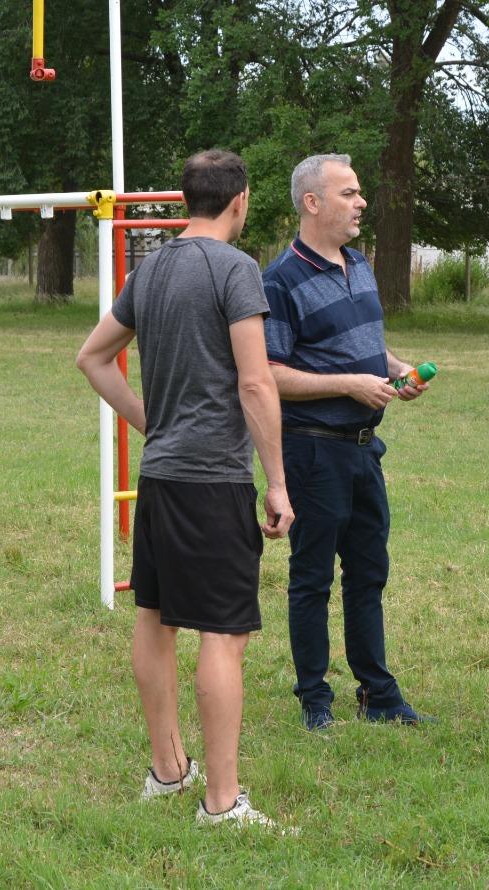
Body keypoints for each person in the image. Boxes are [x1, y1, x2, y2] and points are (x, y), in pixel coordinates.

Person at [76, 149, 294, 828]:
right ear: (240, 202)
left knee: (155, 619)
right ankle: (222, 803)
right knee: (225, 636)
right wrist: (279, 483)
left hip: (161, 477)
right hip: (213, 481)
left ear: (185, 199)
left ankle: (168, 774)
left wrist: (152, 424)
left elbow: (91, 356)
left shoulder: (152, 268)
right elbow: (256, 381)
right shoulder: (235, 269)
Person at [262, 153, 431, 732]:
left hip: (364, 450)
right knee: (312, 578)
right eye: (349, 194)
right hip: (312, 451)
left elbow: (364, 348)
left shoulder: (359, 264)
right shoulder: (279, 280)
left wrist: (394, 368)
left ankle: (378, 696)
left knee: (369, 574)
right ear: (313, 203)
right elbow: (270, 373)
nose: (362, 204)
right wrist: (349, 385)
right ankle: (315, 700)